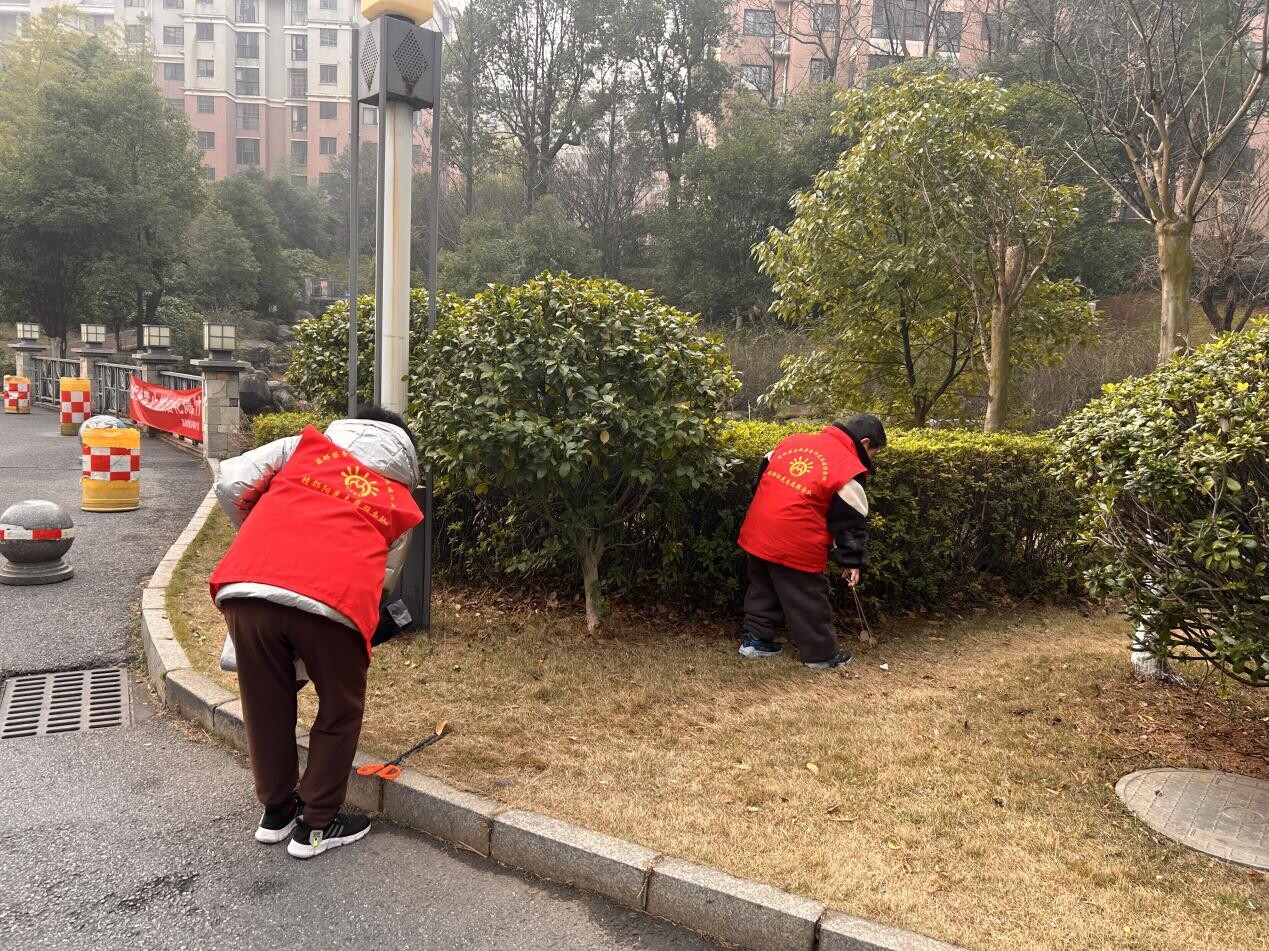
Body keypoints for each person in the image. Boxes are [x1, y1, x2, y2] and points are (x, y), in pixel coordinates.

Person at [209, 405, 423, 859]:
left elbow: (230, 481)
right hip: (333, 597)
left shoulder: (302, 448)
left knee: (266, 700)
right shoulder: (397, 497)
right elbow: (384, 575)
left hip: (249, 586)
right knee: (340, 709)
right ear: (403, 451)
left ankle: (277, 812)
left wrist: (262, 533)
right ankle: (318, 825)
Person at [736, 414, 886, 669]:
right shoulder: (847, 466)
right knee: (807, 597)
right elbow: (849, 521)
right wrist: (852, 561)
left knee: (763, 587)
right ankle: (821, 655)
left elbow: (760, 482)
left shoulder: (792, 442)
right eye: (874, 453)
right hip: (797, 538)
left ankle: (755, 642)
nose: (871, 460)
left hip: (759, 530)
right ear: (864, 442)